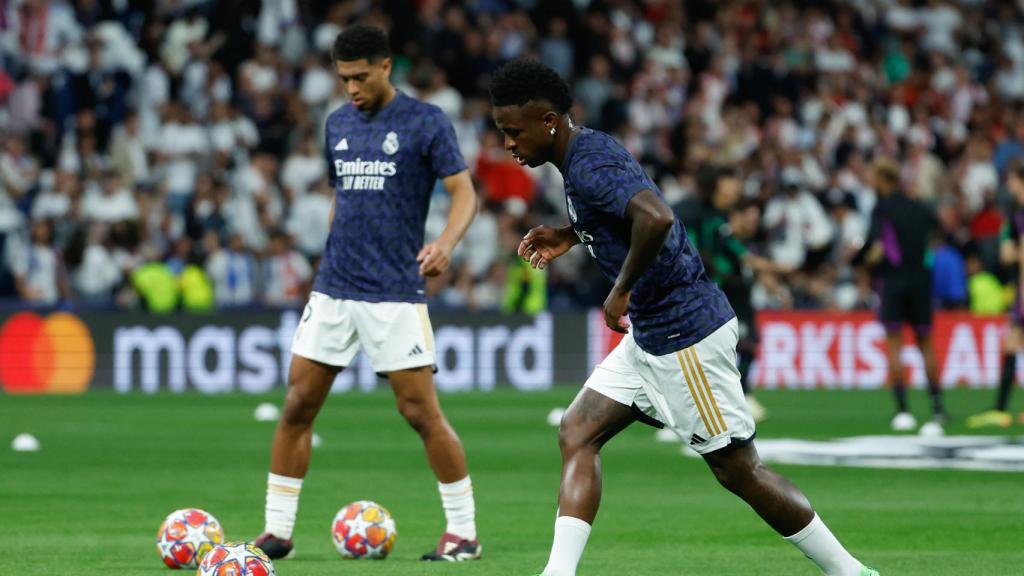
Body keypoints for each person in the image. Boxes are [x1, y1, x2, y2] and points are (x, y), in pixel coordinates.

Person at [489, 59, 878, 576]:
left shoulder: (589, 163)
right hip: (652, 334)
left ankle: (851, 572)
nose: (508, 144)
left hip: (683, 334)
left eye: (513, 132)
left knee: (740, 471)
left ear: (549, 122)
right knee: (577, 431)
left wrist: (620, 290)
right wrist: (572, 233)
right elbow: (628, 216)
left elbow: (656, 217)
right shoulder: (587, 153)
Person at [254, 25, 482, 562]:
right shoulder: (336, 123)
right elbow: (343, 199)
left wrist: (446, 243)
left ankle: (464, 533)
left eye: (360, 77)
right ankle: (277, 532)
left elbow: (464, 192)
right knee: (296, 407)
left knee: (420, 414)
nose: (351, 88)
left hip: (394, 294)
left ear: (386, 66)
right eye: (343, 79)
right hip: (334, 289)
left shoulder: (425, 122)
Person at [864, 158, 947, 433]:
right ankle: (937, 408)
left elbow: (878, 249)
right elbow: (938, 235)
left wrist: (864, 264)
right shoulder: (920, 207)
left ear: (882, 179)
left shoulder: (882, 208)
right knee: (926, 344)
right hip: (921, 281)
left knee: (895, 345)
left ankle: (902, 411)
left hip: (895, 281)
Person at [968, 162, 1024, 428]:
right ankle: (1001, 409)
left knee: (1013, 343)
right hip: (1020, 290)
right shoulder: (1016, 214)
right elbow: (1007, 255)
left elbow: (1015, 253)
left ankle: (1001, 408)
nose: (1009, 186)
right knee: (1012, 343)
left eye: (1012, 180)